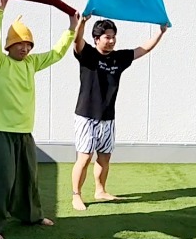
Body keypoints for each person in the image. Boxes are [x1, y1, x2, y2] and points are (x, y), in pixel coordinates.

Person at [0, 0, 81, 239]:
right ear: (9, 46)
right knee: (0, 180)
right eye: (20, 44)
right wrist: (0, 8)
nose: (25, 49)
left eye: (28, 44)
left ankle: (32, 216)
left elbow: (57, 53)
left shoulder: (32, 63)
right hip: (0, 133)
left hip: (24, 133)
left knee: (28, 179)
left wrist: (72, 28)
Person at [71, 17, 168, 211]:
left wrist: (160, 32)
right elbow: (77, 40)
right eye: (107, 37)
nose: (111, 41)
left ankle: (100, 190)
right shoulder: (88, 54)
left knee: (104, 157)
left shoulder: (119, 58)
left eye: (113, 37)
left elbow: (143, 49)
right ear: (96, 38)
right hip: (86, 116)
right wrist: (82, 23)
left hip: (108, 117)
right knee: (85, 157)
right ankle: (76, 195)